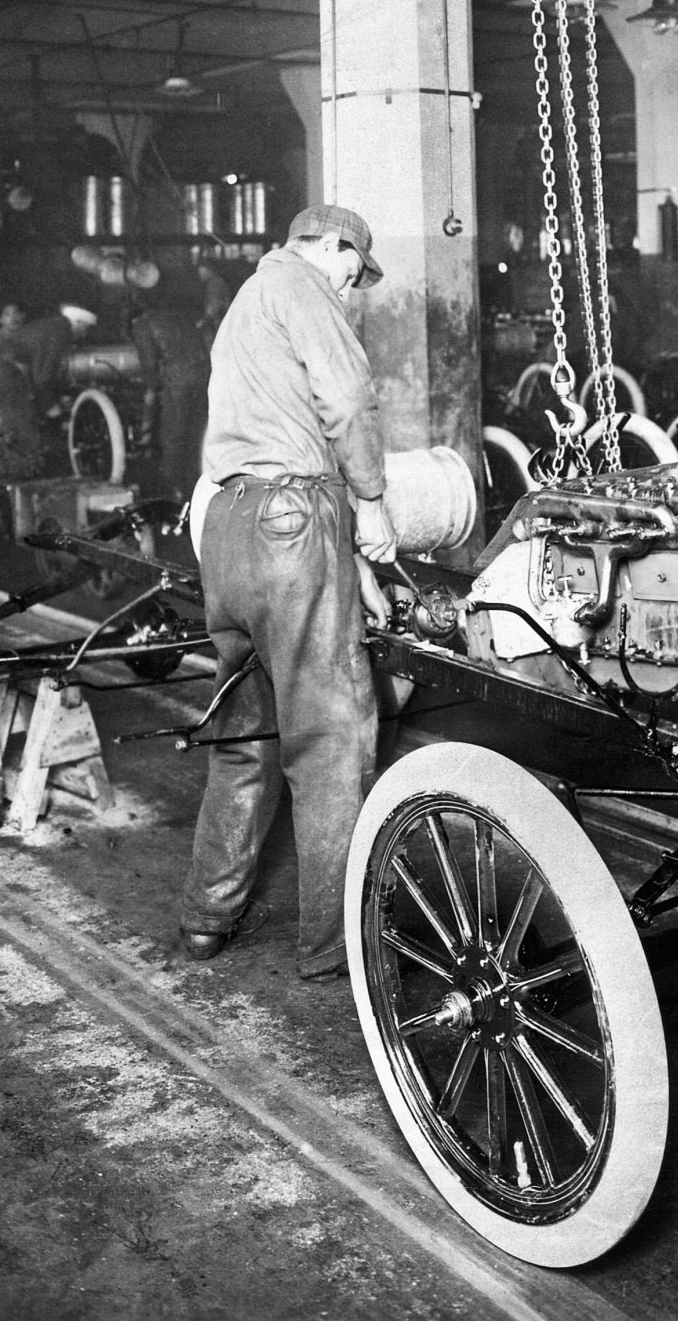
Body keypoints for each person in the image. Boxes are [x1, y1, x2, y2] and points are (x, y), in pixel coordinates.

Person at [176, 204, 397, 982]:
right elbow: (347, 396)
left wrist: (344, 564)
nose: (353, 286)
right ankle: (334, 944)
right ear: (331, 245)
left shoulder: (246, 300)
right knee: (330, 739)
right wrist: (369, 504)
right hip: (291, 525)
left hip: (229, 530)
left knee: (245, 738)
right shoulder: (305, 288)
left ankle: (207, 915)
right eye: (353, 268)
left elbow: (268, 436)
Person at [0, 302, 91, 476]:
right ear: (78, 323)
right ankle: (22, 479)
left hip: (4, 373)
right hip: (6, 375)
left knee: (23, 429)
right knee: (26, 437)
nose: (85, 333)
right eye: (86, 327)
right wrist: (56, 414)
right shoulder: (60, 332)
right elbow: (42, 379)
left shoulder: (53, 327)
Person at [125, 274, 213, 498]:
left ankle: (172, 493)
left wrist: (150, 391)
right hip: (203, 376)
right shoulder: (180, 317)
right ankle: (196, 487)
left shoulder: (142, 325)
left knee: (173, 437)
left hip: (177, 382)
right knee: (195, 435)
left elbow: (149, 363)